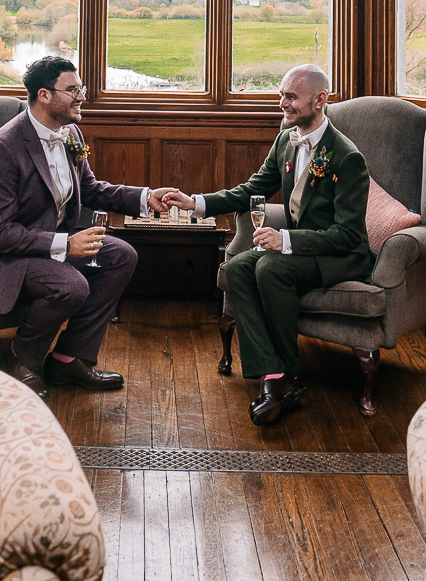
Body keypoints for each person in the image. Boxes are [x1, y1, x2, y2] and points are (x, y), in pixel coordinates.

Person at [155, 63, 369, 426]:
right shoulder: (287, 139)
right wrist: (197, 203)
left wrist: (283, 238)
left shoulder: (347, 158)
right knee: (237, 266)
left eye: (291, 97)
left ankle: (287, 376)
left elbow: (347, 235)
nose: (282, 104)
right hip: (301, 250)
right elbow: (253, 189)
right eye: (280, 95)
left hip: (340, 256)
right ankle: (271, 373)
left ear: (320, 100)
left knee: (271, 265)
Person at [0, 55, 182, 398]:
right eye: (73, 90)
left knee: (120, 255)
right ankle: (25, 358)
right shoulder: (2, 149)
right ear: (44, 95)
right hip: (3, 251)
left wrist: (145, 197)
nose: (82, 97)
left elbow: (91, 189)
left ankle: (68, 358)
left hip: (49, 239)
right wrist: (65, 245)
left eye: (82, 88)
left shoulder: (70, 132)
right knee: (72, 286)